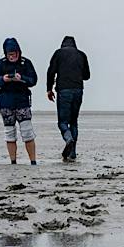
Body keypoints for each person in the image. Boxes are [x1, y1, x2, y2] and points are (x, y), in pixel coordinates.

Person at [0, 37, 39, 166]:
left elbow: (33, 80)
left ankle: (33, 161)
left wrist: (21, 78)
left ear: (18, 52)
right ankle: (13, 161)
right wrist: (3, 79)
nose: (12, 56)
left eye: (14, 54)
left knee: (27, 132)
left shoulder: (26, 63)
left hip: (22, 102)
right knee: (9, 133)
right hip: (6, 103)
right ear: (5, 54)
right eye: (9, 54)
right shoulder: (0, 64)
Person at [45, 34, 91, 162]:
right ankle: (73, 153)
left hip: (63, 90)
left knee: (63, 122)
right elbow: (87, 76)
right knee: (74, 122)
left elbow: (51, 72)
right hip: (78, 90)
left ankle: (68, 138)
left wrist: (49, 89)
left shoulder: (58, 54)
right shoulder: (81, 55)